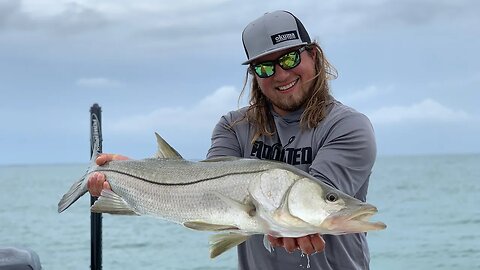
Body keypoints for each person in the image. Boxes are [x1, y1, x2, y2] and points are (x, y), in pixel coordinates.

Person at [88, 10, 377, 270]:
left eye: (290, 58)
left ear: (313, 54)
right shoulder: (233, 126)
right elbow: (204, 187)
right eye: (265, 68)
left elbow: (318, 208)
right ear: (253, 74)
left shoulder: (348, 127)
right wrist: (136, 175)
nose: (281, 74)